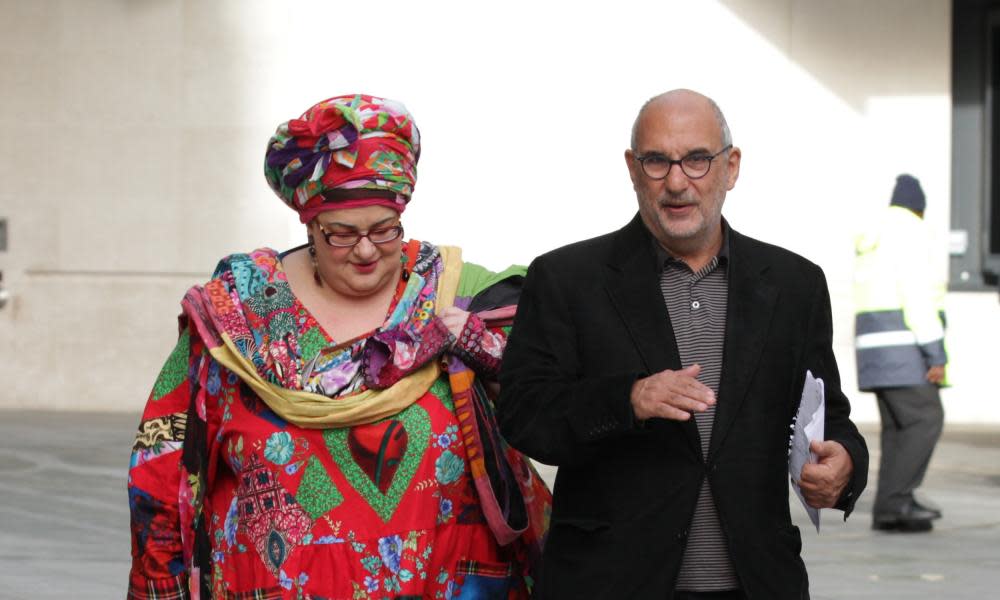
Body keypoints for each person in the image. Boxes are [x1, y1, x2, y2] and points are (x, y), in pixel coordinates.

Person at [127, 94, 549, 599]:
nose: (367, 250)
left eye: (384, 230)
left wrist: (478, 346)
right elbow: (163, 458)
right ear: (309, 227)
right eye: (342, 235)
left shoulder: (454, 293)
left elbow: (548, 395)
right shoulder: (237, 317)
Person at [496, 89, 869, 600]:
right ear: (632, 168)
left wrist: (845, 463)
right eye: (657, 161)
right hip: (611, 582)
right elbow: (523, 414)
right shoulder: (566, 279)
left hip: (757, 581)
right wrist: (628, 400)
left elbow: (827, 417)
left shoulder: (793, 284)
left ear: (731, 167)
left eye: (697, 160)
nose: (676, 182)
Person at [854, 174, 947, 533]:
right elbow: (918, 297)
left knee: (898, 428)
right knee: (926, 419)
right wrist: (934, 353)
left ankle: (891, 505)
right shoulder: (912, 233)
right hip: (905, 349)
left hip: (875, 353)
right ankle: (899, 500)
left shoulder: (875, 238)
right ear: (919, 209)